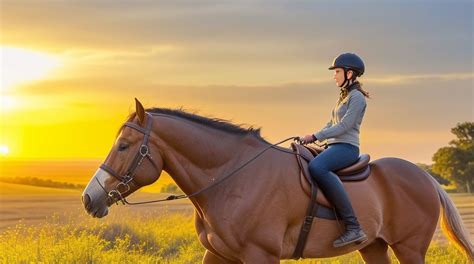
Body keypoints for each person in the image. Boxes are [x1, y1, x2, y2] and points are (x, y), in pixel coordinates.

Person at [299, 53, 370, 247]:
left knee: (317, 168)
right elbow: (332, 122)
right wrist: (312, 136)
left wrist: (315, 137)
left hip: (347, 148)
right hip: (333, 145)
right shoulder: (343, 98)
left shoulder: (357, 98)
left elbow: (345, 126)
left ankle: (353, 227)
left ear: (349, 74)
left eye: (337, 71)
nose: (334, 76)